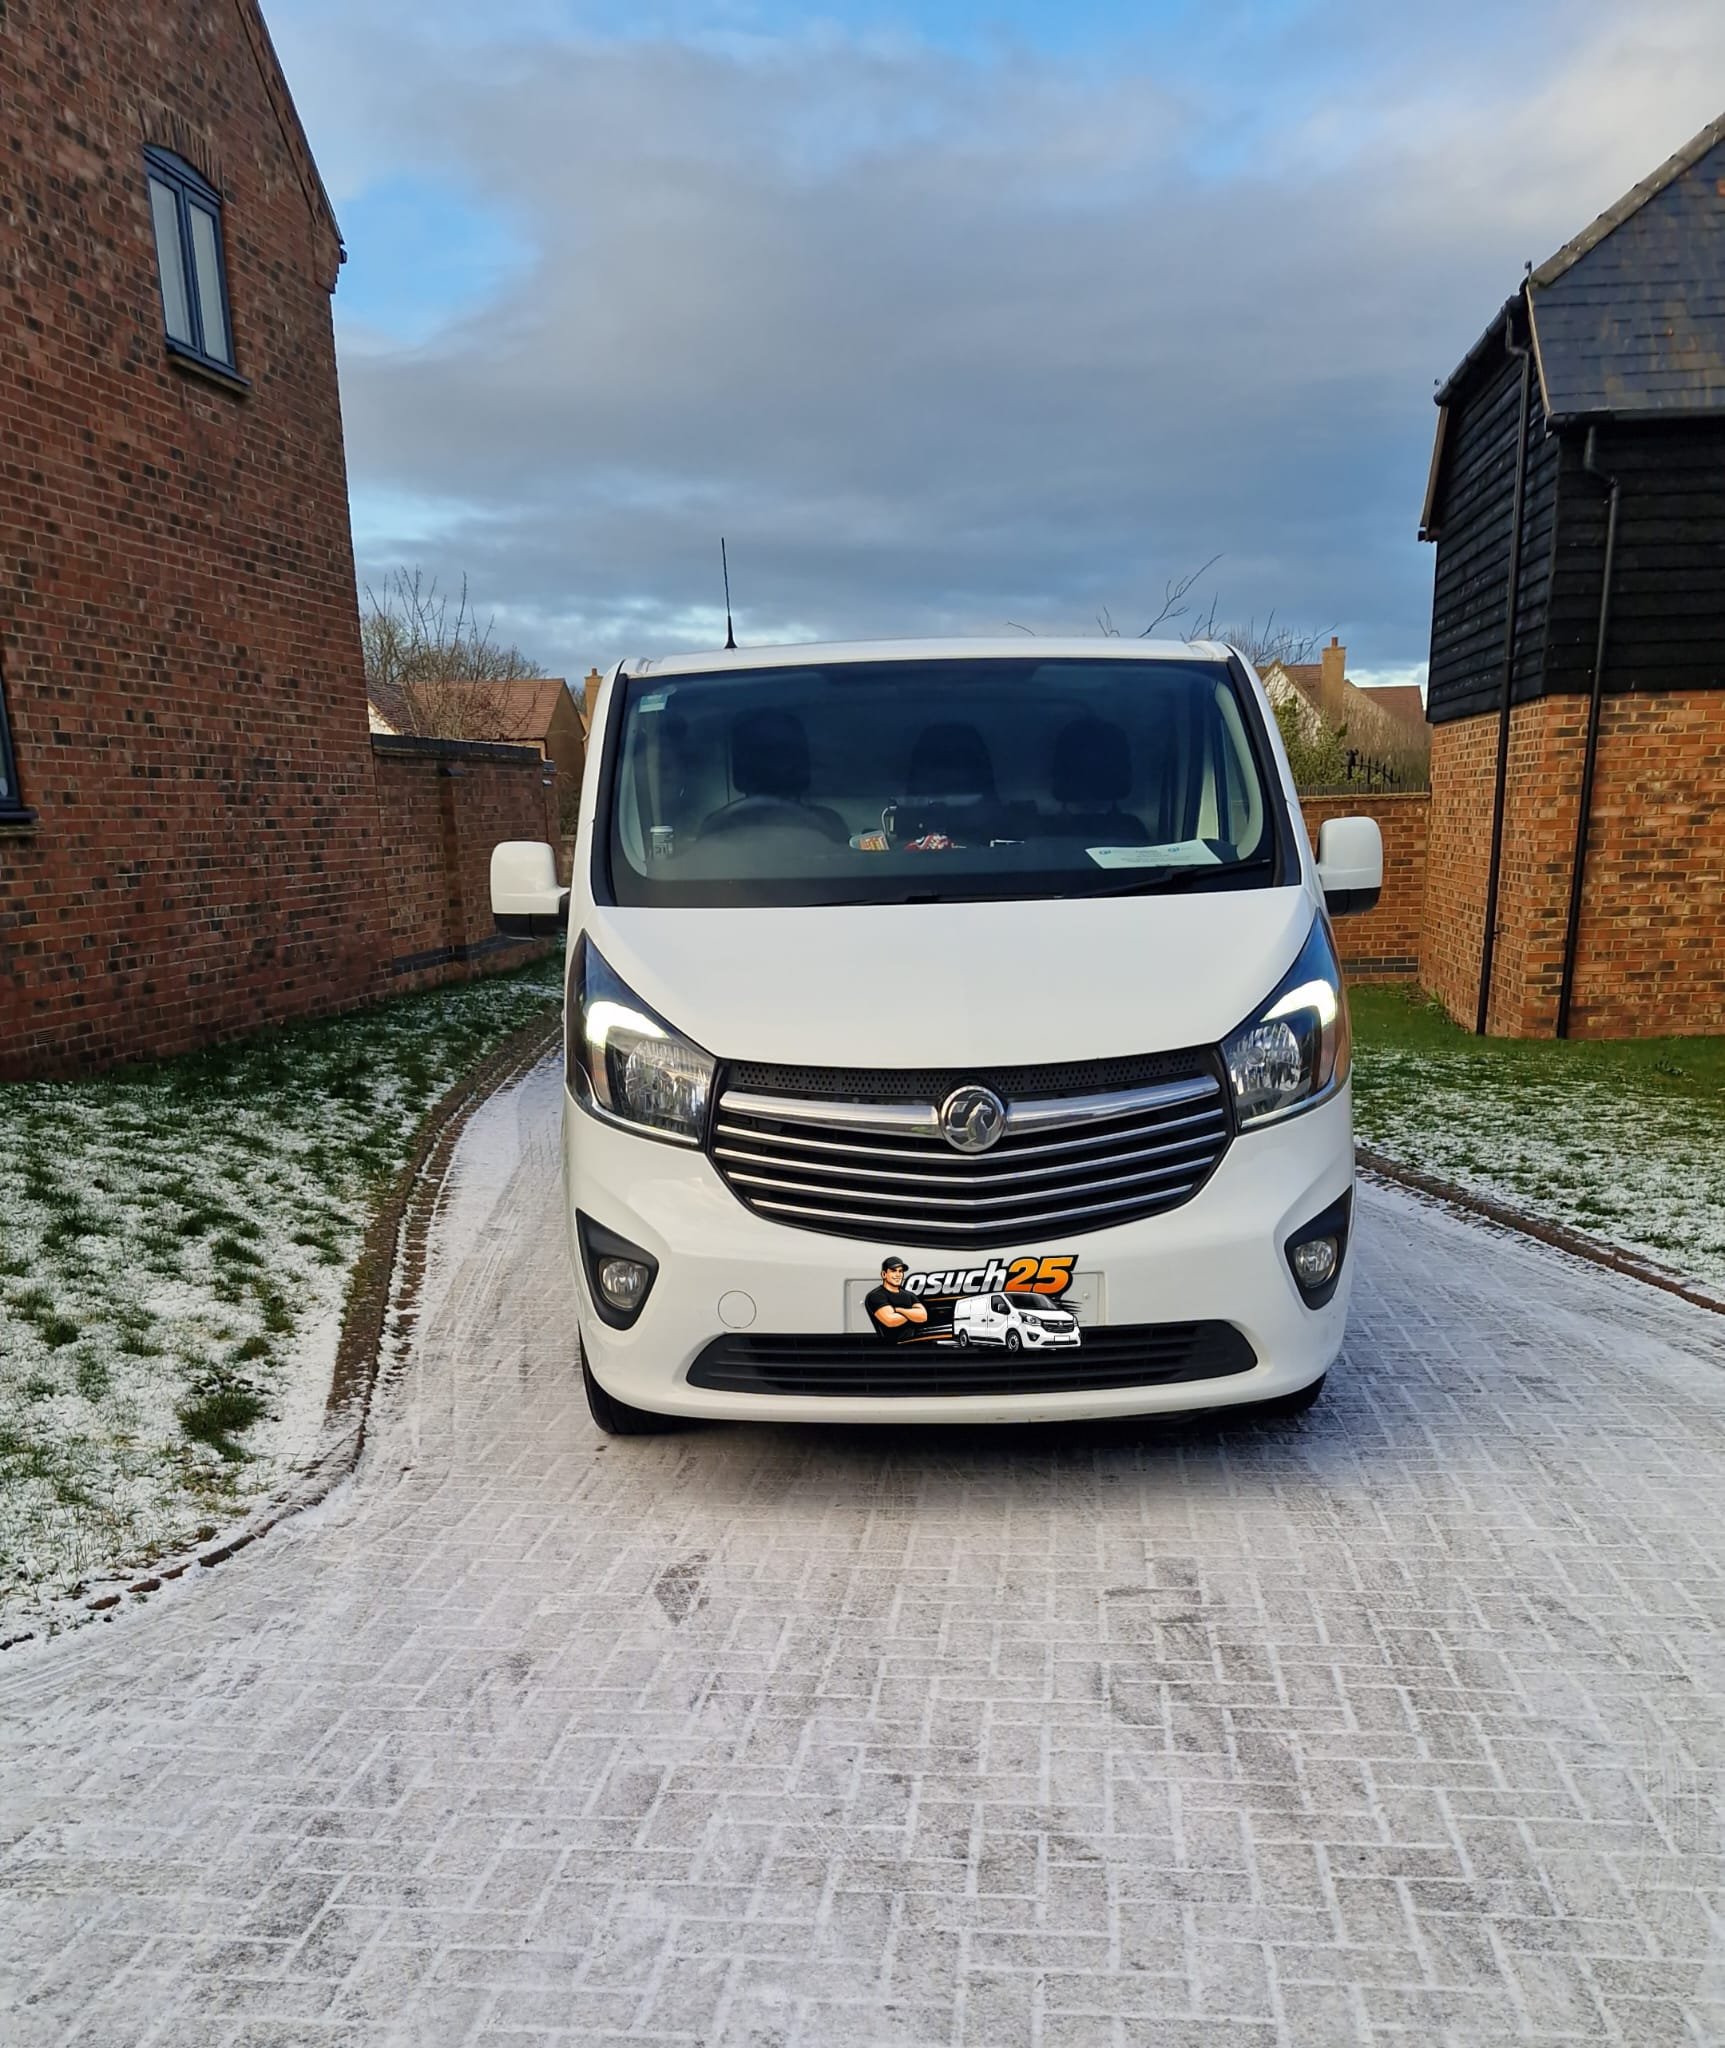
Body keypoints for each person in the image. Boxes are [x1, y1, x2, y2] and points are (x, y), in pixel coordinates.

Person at [864, 1257, 928, 1342]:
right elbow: (890, 1321)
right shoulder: (876, 1296)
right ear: (884, 1274)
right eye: (893, 1271)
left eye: (900, 1271)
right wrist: (913, 1315)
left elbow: (923, 1316)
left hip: (913, 1346)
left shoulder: (910, 1295)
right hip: (889, 1348)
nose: (898, 1275)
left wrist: (898, 1309)